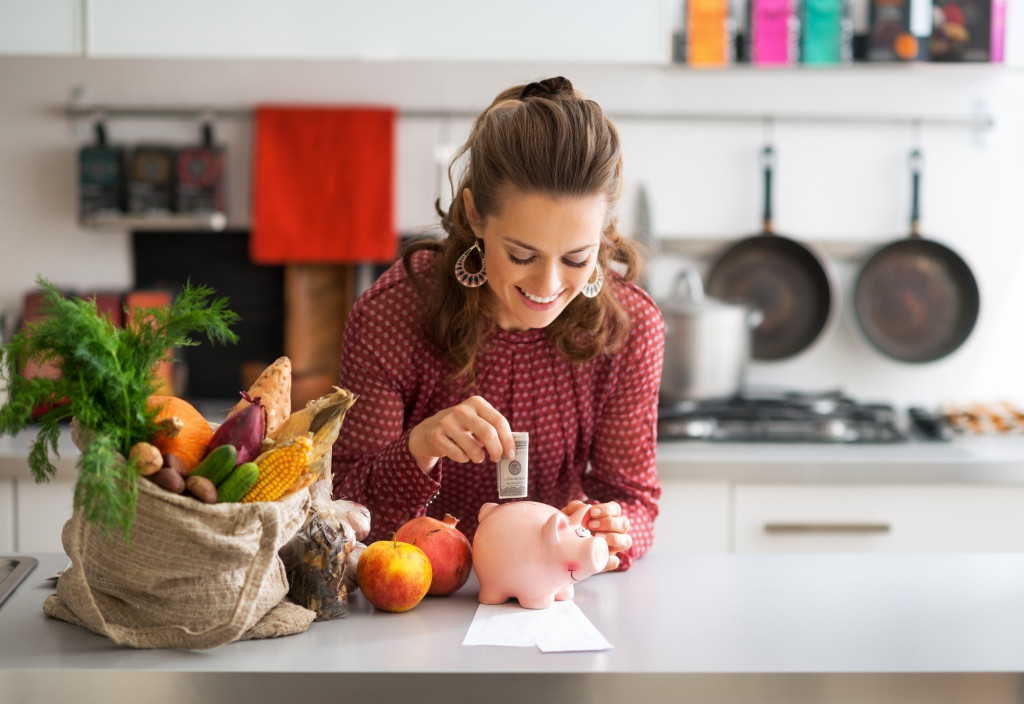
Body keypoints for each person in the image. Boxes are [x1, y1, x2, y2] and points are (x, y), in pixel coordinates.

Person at [331, 76, 664, 571]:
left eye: (576, 258)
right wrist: (418, 448)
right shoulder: (393, 316)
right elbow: (341, 512)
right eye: (522, 254)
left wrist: (607, 529)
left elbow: (634, 502)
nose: (549, 284)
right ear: (475, 215)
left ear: (604, 234)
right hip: (412, 601)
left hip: (552, 600)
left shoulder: (631, 328)